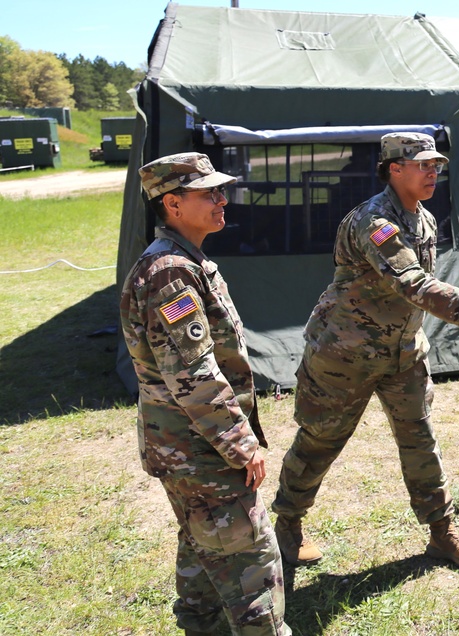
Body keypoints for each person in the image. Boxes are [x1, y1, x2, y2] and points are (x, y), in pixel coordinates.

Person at [271, 132, 459, 569]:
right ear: (393, 169)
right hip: (346, 354)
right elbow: (413, 284)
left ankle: (442, 532)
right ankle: (286, 525)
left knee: (420, 441)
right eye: (422, 164)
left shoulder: (426, 219)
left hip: (402, 354)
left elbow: (419, 293)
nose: (433, 171)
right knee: (320, 441)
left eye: (436, 164)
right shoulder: (374, 221)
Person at [120, 153, 291, 636]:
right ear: (172, 204)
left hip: (185, 445)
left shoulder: (182, 263)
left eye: (221, 190)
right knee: (252, 560)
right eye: (209, 193)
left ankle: (200, 624)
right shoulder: (170, 273)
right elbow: (192, 374)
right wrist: (240, 444)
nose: (222, 199)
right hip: (201, 447)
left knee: (203, 539)